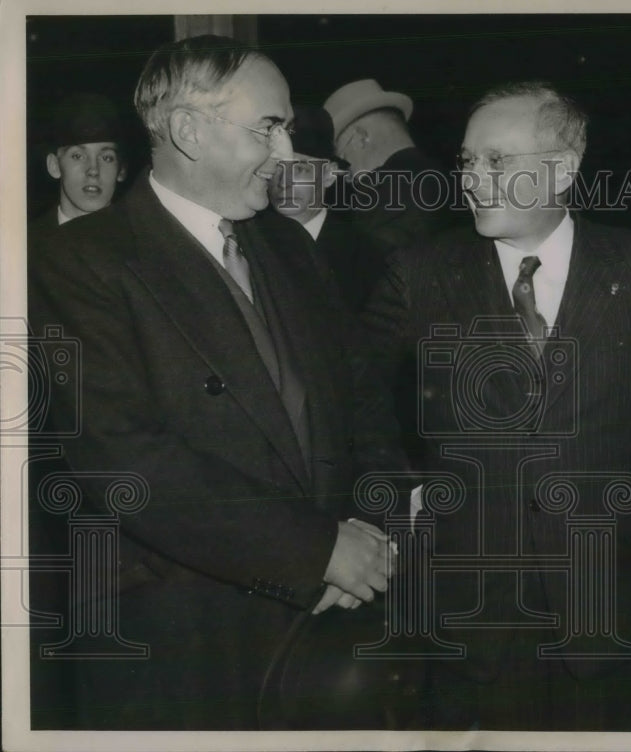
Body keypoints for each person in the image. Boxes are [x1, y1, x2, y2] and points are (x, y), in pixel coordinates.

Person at [28, 35, 402, 730]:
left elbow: (364, 399)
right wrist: (317, 550)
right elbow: (125, 462)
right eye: (269, 127)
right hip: (179, 646)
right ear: (189, 132)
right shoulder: (74, 260)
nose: (288, 154)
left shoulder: (288, 244)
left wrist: (367, 529)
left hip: (326, 632)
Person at [362, 81, 631, 730]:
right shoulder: (419, 275)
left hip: (610, 618)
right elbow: (348, 401)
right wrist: (400, 494)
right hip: (468, 620)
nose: (473, 180)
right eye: (467, 162)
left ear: (562, 168)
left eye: (496, 162)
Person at [267, 103, 380, 312]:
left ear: (329, 174)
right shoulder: (247, 244)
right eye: (276, 167)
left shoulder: (368, 258)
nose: (284, 181)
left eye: (299, 167)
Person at [323, 78, 455, 257]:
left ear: (360, 138)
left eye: (341, 159)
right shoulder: (448, 177)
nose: (344, 175)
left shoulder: (383, 191)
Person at [34, 92, 127, 228]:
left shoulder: (146, 243)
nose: (93, 170)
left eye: (107, 158)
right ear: (54, 165)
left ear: (122, 170)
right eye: (78, 156)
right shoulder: (26, 243)